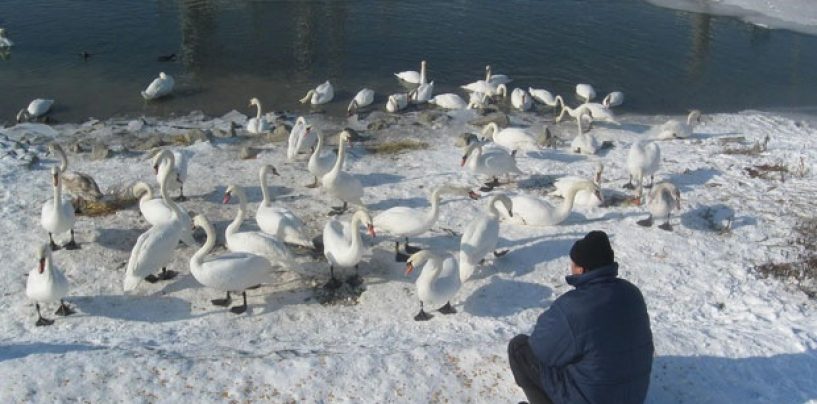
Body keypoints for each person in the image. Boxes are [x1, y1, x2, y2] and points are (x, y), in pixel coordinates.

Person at [508, 230, 654, 404]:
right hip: (633, 397)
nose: (571, 266)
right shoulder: (632, 292)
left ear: (582, 268)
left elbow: (540, 349)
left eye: (573, 262)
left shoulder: (574, 307)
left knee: (519, 349)